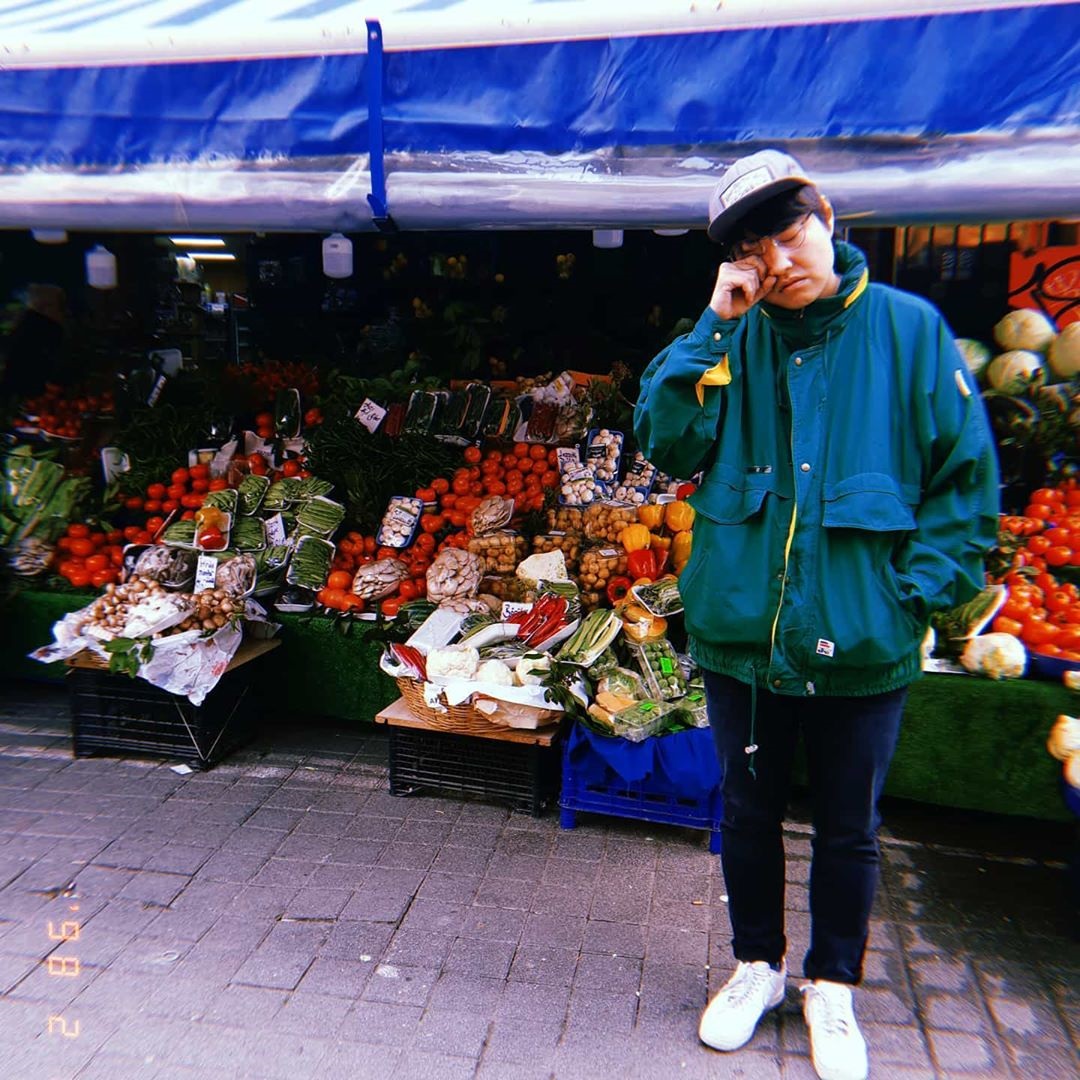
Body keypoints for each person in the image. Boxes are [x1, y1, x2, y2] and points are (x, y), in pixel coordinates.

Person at [634, 150, 999, 1080]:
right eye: (753, 249)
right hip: (744, 637)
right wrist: (711, 331)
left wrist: (909, 597)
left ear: (826, 216)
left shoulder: (910, 330)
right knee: (748, 812)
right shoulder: (728, 338)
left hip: (864, 638)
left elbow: (965, 486)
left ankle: (831, 983)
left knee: (848, 826)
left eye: (789, 233)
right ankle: (756, 966)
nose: (778, 260)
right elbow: (665, 444)